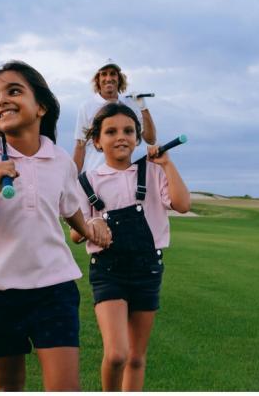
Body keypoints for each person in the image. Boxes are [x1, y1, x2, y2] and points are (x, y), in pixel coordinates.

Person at [0, 60, 111, 391]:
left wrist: (91, 225)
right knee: (8, 386)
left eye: (14, 91)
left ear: (41, 108)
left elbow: (70, 211)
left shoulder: (61, 160)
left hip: (54, 290)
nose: (0, 100)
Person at [69, 102, 190, 391]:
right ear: (97, 141)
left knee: (136, 358)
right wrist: (93, 227)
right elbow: (76, 234)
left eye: (128, 131)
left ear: (137, 137)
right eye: (111, 132)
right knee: (116, 354)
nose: (121, 136)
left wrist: (167, 164)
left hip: (148, 270)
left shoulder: (153, 172)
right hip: (108, 271)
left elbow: (183, 204)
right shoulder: (87, 181)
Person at [73, 59, 157, 173]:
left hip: (123, 174)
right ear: (98, 79)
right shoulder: (86, 107)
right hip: (93, 174)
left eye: (113, 74)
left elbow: (151, 139)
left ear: (119, 78)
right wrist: (72, 179)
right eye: (104, 74)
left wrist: (143, 108)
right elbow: (80, 146)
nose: (108, 78)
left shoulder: (130, 103)